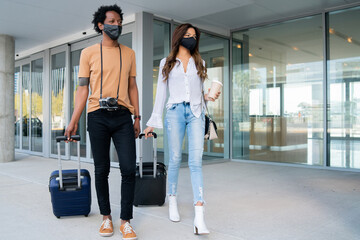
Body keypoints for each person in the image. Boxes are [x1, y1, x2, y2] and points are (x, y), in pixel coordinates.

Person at [64, 4, 140, 239]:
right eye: (112, 21)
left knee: (128, 168)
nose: (117, 24)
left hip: (122, 116)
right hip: (96, 116)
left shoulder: (129, 53)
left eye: (119, 21)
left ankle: (125, 220)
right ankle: (106, 218)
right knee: (102, 169)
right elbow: (82, 89)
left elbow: (132, 86)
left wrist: (137, 116)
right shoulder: (88, 53)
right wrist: (73, 120)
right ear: (100, 25)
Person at [144, 23, 221, 235]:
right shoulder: (165, 63)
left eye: (194, 36)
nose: (191, 38)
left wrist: (209, 96)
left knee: (196, 162)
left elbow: (198, 92)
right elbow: (161, 95)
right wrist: (153, 121)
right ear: (178, 37)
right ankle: (173, 200)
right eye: (187, 35)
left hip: (196, 113)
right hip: (175, 112)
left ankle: (199, 216)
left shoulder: (200, 62)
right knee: (176, 159)